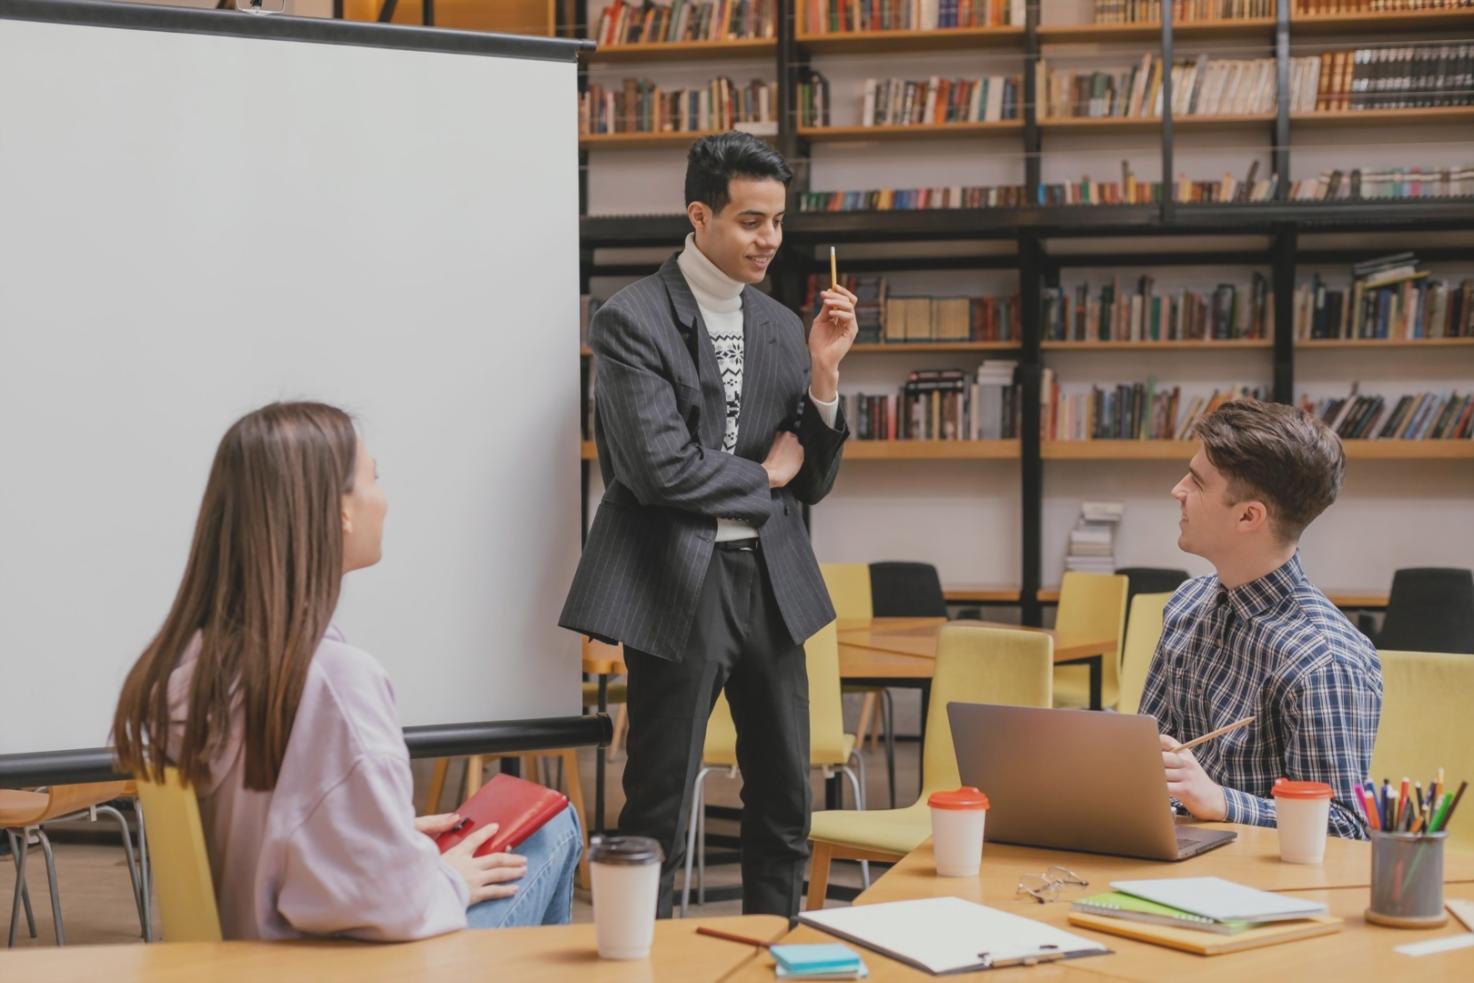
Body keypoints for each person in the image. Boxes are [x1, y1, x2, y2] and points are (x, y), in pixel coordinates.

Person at [112, 401, 581, 940]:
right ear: (341, 512)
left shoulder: (189, 666)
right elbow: (389, 906)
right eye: (373, 478)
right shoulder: (334, 682)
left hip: (241, 957)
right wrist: (443, 877)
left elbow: (270, 833)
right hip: (333, 963)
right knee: (552, 830)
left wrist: (393, 838)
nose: (384, 499)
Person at [560, 132, 857, 918]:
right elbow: (659, 470)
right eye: (751, 221)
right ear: (699, 215)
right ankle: (640, 963)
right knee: (657, 806)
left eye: (778, 221)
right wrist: (767, 473)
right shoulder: (630, 321)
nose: (770, 240)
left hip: (772, 582)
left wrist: (824, 374)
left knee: (786, 804)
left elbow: (814, 482)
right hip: (675, 584)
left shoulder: (778, 326)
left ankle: (773, 954)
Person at [1139, 398, 1382, 839]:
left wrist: (1221, 802)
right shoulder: (1186, 605)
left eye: (1196, 482)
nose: (1178, 490)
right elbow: (1144, 757)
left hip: (1265, 889)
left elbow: (1347, 826)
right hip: (1168, 858)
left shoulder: (1323, 661)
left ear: (1249, 516)